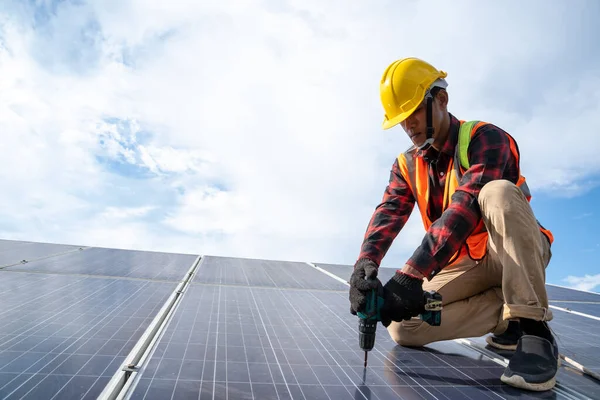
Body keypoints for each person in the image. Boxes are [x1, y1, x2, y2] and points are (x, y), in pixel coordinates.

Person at [348, 57, 558, 392]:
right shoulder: (406, 164)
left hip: (512, 252)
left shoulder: (485, 138)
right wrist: (365, 264)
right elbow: (388, 212)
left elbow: (465, 207)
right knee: (405, 328)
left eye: (414, 112)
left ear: (441, 100)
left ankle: (534, 330)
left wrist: (409, 276)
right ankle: (508, 321)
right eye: (402, 119)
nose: (409, 125)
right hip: (468, 264)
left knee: (498, 193)